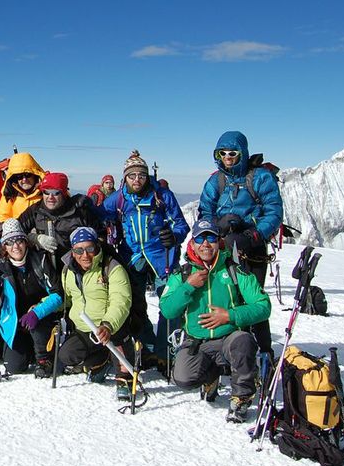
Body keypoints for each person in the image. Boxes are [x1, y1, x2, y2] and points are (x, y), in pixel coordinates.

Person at [159, 218, 272, 423]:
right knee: (183, 378)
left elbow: (263, 306)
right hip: (197, 341)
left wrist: (229, 315)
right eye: (200, 239)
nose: (205, 244)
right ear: (192, 243)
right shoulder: (183, 274)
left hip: (229, 339)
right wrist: (189, 286)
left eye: (210, 237)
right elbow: (167, 310)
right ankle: (211, 376)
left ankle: (241, 397)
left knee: (243, 342)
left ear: (218, 241)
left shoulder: (234, 270)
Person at [101, 149, 189, 368]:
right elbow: (99, 214)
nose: (137, 179)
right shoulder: (119, 198)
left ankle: (165, 352)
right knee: (136, 306)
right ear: (125, 177)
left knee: (170, 305)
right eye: (132, 176)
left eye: (141, 175)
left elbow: (181, 225)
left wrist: (174, 237)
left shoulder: (161, 195)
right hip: (132, 257)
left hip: (163, 257)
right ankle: (149, 349)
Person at [198, 131, 283, 356]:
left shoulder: (260, 177)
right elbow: (205, 211)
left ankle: (264, 351)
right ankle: (234, 350)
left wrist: (256, 234)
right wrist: (217, 226)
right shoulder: (215, 181)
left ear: (242, 153)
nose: (228, 157)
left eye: (233, 153)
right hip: (223, 247)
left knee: (253, 297)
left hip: (252, 249)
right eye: (222, 153)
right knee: (226, 295)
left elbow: (274, 211)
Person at [0, 219, 62, 377]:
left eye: (19, 241)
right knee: (14, 367)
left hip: (40, 320)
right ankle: (29, 351)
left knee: (37, 325)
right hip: (16, 324)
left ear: (26, 242)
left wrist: (37, 313)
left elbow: (58, 294)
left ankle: (43, 359)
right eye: (10, 242)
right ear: (4, 246)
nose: (15, 246)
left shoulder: (40, 261)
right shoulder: (2, 268)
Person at [57, 227, 134, 400]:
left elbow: (121, 301)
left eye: (90, 248)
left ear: (97, 247)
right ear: (72, 251)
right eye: (79, 250)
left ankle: (124, 377)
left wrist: (107, 325)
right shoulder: (67, 271)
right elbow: (67, 299)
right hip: (85, 329)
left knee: (121, 354)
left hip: (111, 328)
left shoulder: (111, 267)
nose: (85, 255)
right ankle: (103, 359)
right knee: (66, 355)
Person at [17, 171, 105, 266]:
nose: (50, 197)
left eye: (55, 193)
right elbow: (14, 229)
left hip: (77, 267)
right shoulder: (36, 211)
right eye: (46, 192)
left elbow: (101, 236)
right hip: (47, 269)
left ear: (63, 193)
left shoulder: (79, 212)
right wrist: (35, 239)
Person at [0, 152, 46, 223]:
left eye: (27, 174)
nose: (24, 180)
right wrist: (9, 230)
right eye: (19, 176)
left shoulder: (47, 192)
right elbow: (2, 216)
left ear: (35, 174)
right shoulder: (10, 193)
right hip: (17, 232)